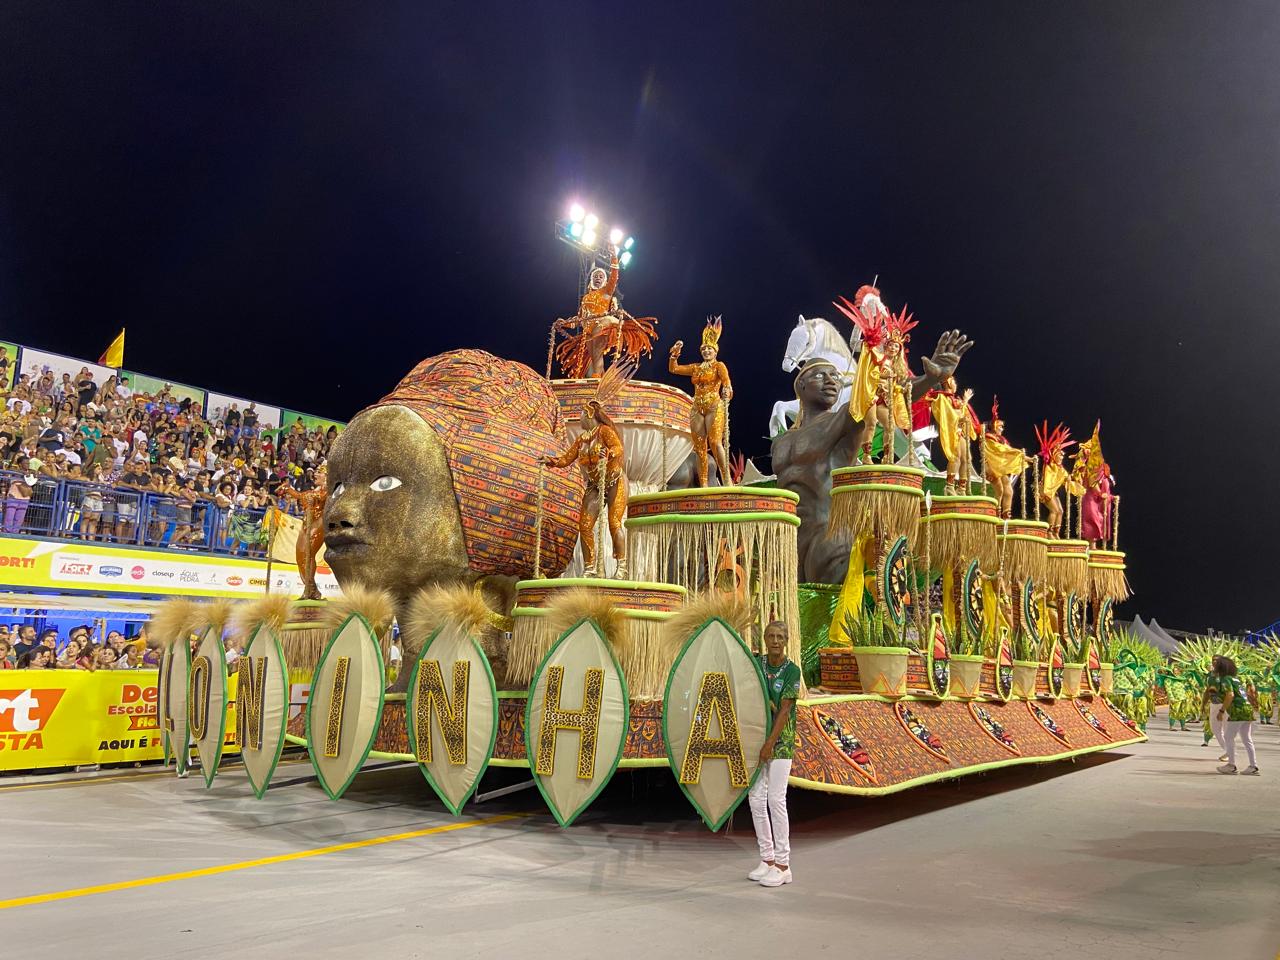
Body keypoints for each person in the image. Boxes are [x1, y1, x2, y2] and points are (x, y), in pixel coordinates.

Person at [541, 367, 632, 579]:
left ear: (590, 414)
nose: (580, 417)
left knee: (614, 523)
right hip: (594, 485)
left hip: (615, 481)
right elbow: (566, 459)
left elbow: (618, 449)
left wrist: (607, 453)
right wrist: (550, 461)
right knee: (585, 525)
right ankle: (590, 567)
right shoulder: (582, 439)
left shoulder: (605, 431)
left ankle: (621, 566)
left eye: (582, 413)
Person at [748, 621, 801, 889]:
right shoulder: (757, 664)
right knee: (756, 799)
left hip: (780, 744)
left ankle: (783, 865)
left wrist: (770, 743)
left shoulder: (792, 671)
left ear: (787, 640)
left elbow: (783, 711)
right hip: (758, 742)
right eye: (771, 636)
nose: (776, 641)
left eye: (781, 636)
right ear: (765, 639)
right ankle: (767, 859)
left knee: (775, 798)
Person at [668, 317, 734, 487]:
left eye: (709, 349)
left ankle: (727, 479)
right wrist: (674, 354)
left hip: (714, 405)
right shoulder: (696, 368)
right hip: (697, 407)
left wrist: (727, 391)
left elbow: (727, 385)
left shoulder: (719, 366)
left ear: (715, 351)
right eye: (703, 349)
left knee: (715, 443)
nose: (706, 351)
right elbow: (674, 369)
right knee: (699, 448)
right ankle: (703, 485)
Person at [1216, 656, 1259, 775]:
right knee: (1247, 738)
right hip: (1247, 709)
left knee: (1229, 737)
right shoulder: (1236, 679)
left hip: (1237, 710)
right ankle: (1253, 766)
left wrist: (1221, 711)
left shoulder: (1225, 679)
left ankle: (1231, 765)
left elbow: (1230, 695)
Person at [1201, 656, 1230, 760]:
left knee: (1227, 731)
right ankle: (1228, 750)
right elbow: (1207, 691)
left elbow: (1231, 693)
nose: (1214, 661)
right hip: (1213, 704)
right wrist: (1203, 704)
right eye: (1213, 660)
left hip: (1226, 705)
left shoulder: (1227, 675)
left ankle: (1229, 754)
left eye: (1217, 660)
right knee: (1215, 729)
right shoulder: (1210, 677)